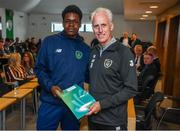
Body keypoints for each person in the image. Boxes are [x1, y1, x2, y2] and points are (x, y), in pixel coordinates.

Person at [34, 5, 90, 130]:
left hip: (74, 105)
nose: (71, 25)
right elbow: (39, 69)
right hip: (50, 103)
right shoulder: (49, 42)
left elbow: (89, 77)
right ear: (63, 22)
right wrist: (51, 87)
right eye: (68, 21)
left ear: (80, 24)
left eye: (75, 21)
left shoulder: (86, 49)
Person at [87, 7, 138, 130]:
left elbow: (131, 89)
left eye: (103, 25)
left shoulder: (123, 52)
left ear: (111, 26)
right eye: (96, 26)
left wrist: (102, 104)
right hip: (93, 118)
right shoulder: (93, 51)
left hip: (113, 121)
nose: (100, 30)